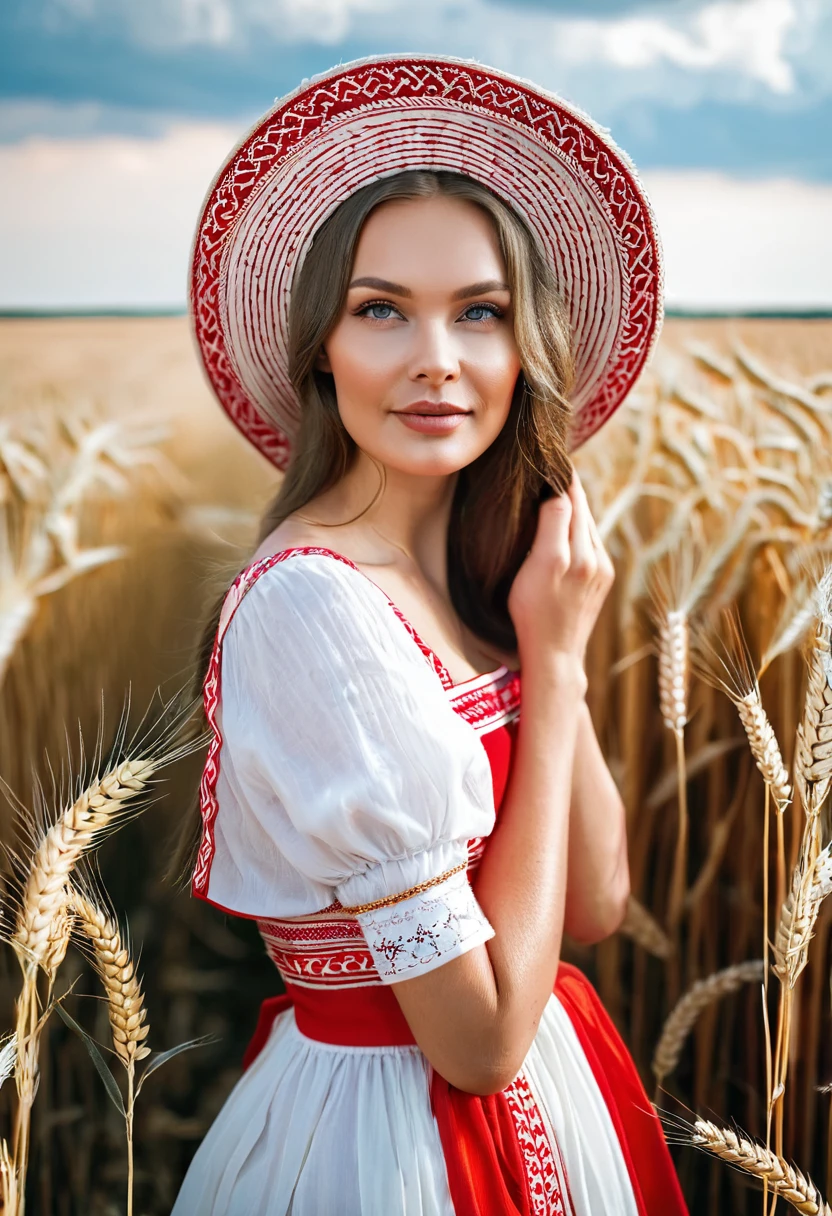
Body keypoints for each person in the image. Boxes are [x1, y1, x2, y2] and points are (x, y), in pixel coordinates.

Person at [173, 54, 688, 1216]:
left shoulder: (460, 575)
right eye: (380, 310)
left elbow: (595, 901)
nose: (436, 361)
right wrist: (549, 670)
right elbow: (480, 1041)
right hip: (388, 1148)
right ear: (322, 348)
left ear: (523, 351)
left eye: (481, 313)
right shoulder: (314, 606)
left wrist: (547, 642)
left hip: (553, 1111)